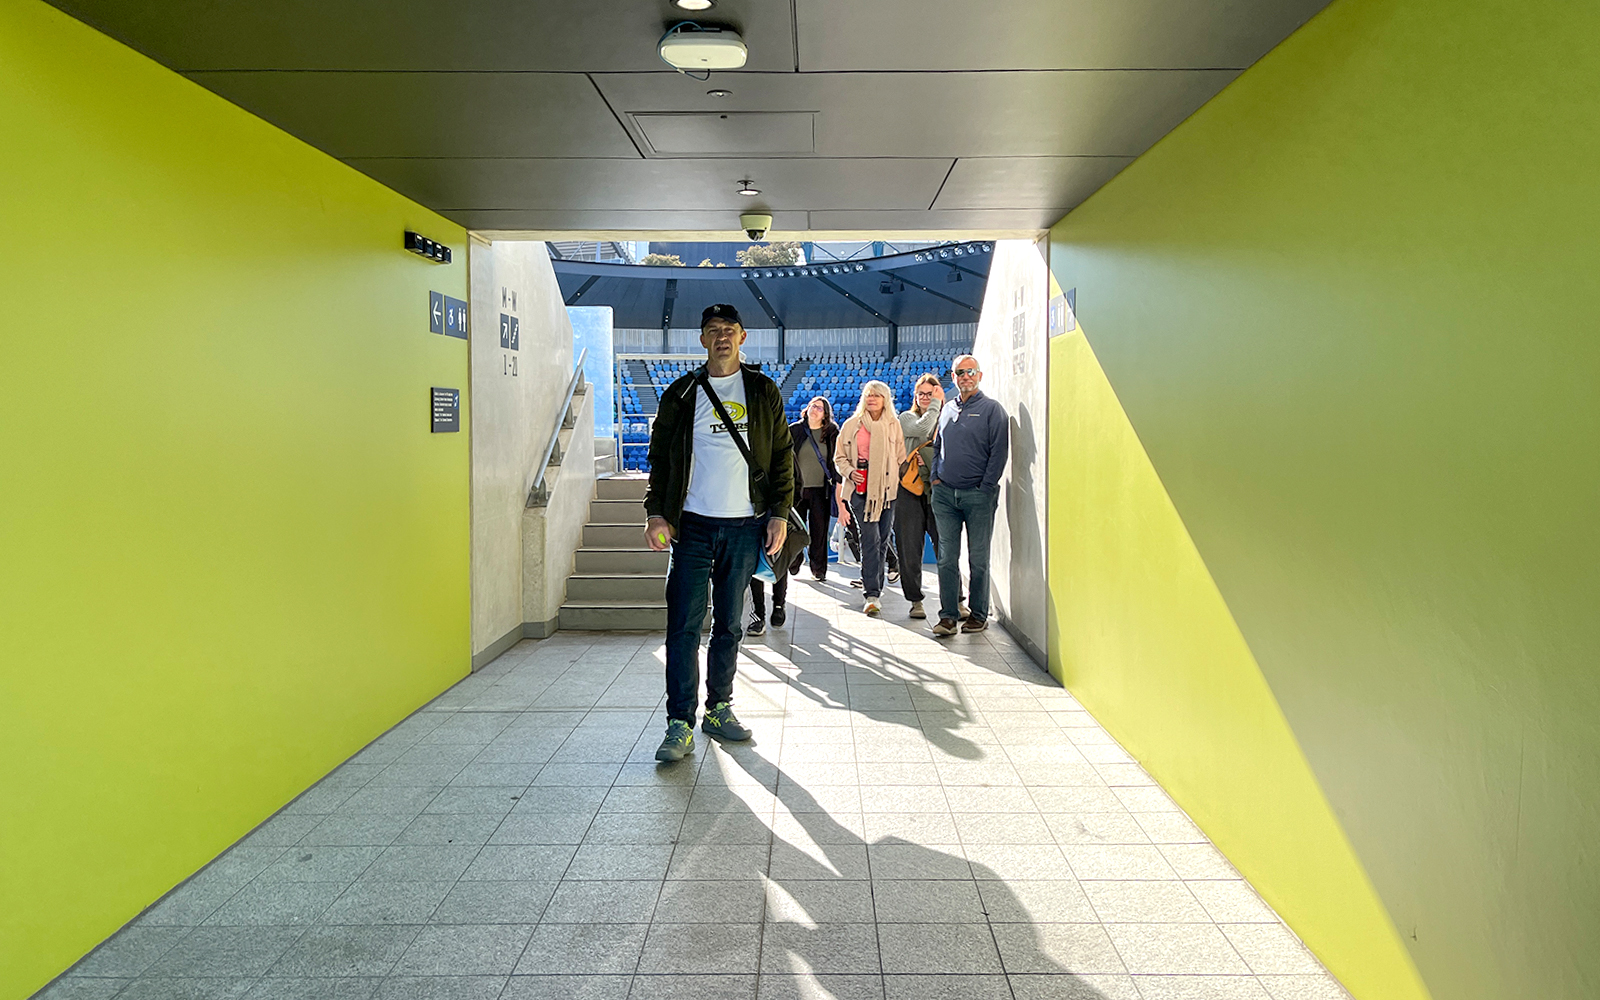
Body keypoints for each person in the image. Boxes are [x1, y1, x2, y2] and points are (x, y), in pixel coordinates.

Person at [644, 304, 792, 761]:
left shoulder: (764, 390)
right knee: (683, 626)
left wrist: (780, 514)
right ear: (703, 339)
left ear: (743, 337)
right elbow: (659, 459)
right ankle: (678, 722)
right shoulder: (681, 392)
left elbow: (782, 456)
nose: (722, 337)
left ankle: (719, 708)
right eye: (713, 330)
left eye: (729, 330)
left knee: (729, 625)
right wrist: (656, 513)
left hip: (745, 526)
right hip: (691, 526)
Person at [930, 354, 1008, 636]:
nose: (965, 377)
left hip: (978, 496)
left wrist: (985, 487)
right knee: (947, 558)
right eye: (960, 372)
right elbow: (937, 447)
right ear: (953, 377)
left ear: (979, 375)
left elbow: (999, 453)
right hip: (945, 496)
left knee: (979, 558)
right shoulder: (947, 409)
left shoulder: (992, 410)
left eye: (970, 372)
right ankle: (948, 616)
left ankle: (978, 614)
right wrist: (935, 479)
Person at [749, 395, 838, 634]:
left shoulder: (782, 440)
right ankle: (758, 612)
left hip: (781, 507)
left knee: (778, 554)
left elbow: (792, 475)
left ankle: (779, 604)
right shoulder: (761, 437)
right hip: (748, 510)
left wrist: (785, 506)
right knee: (754, 562)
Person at [833, 380, 906, 616]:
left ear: (885, 399)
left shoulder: (893, 425)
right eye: (868, 395)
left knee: (883, 540)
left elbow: (900, 457)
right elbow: (839, 457)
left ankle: (877, 589)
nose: (871, 398)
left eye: (876, 395)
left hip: (887, 492)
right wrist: (849, 471)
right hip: (859, 489)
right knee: (870, 538)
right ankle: (871, 594)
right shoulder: (851, 424)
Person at [895, 373, 948, 620]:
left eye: (931, 393)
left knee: (946, 546)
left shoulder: (949, 417)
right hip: (909, 490)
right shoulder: (906, 417)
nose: (926, 398)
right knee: (909, 547)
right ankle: (915, 600)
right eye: (922, 394)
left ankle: (955, 598)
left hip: (940, 489)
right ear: (915, 396)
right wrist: (937, 405)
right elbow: (923, 428)